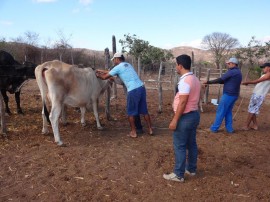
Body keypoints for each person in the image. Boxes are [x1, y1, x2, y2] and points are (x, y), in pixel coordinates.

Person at [95, 52, 153, 138]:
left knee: (131, 113)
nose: (114, 61)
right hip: (141, 87)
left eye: (114, 59)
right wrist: (101, 70)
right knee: (144, 111)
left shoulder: (118, 67)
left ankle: (133, 132)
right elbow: (112, 72)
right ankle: (150, 129)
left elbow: (105, 77)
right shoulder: (127, 65)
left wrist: (97, 75)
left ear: (117, 59)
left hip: (133, 90)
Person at [163, 54, 201, 183]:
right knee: (191, 144)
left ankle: (178, 174)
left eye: (176, 65)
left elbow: (183, 102)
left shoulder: (185, 81)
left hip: (185, 117)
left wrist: (175, 119)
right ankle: (191, 168)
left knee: (179, 146)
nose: (176, 67)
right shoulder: (194, 78)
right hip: (194, 114)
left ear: (180, 65)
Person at [203, 57, 242, 133]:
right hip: (234, 95)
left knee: (220, 111)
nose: (228, 65)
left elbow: (221, 79)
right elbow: (224, 81)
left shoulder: (232, 71)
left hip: (228, 95)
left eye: (229, 63)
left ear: (234, 64)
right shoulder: (238, 72)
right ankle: (229, 129)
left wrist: (208, 82)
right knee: (228, 111)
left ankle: (214, 128)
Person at [241, 62, 270, 130]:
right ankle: (255, 125)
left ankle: (246, 126)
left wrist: (247, 82)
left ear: (269, 67)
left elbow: (257, 81)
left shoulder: (269, 74)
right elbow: (258, 82)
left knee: (252, 110)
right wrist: (248, 82)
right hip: (257, 94)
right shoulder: (266, 74)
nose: (263, 69)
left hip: (259, 94)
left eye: (264, 67)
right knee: (252, 109)